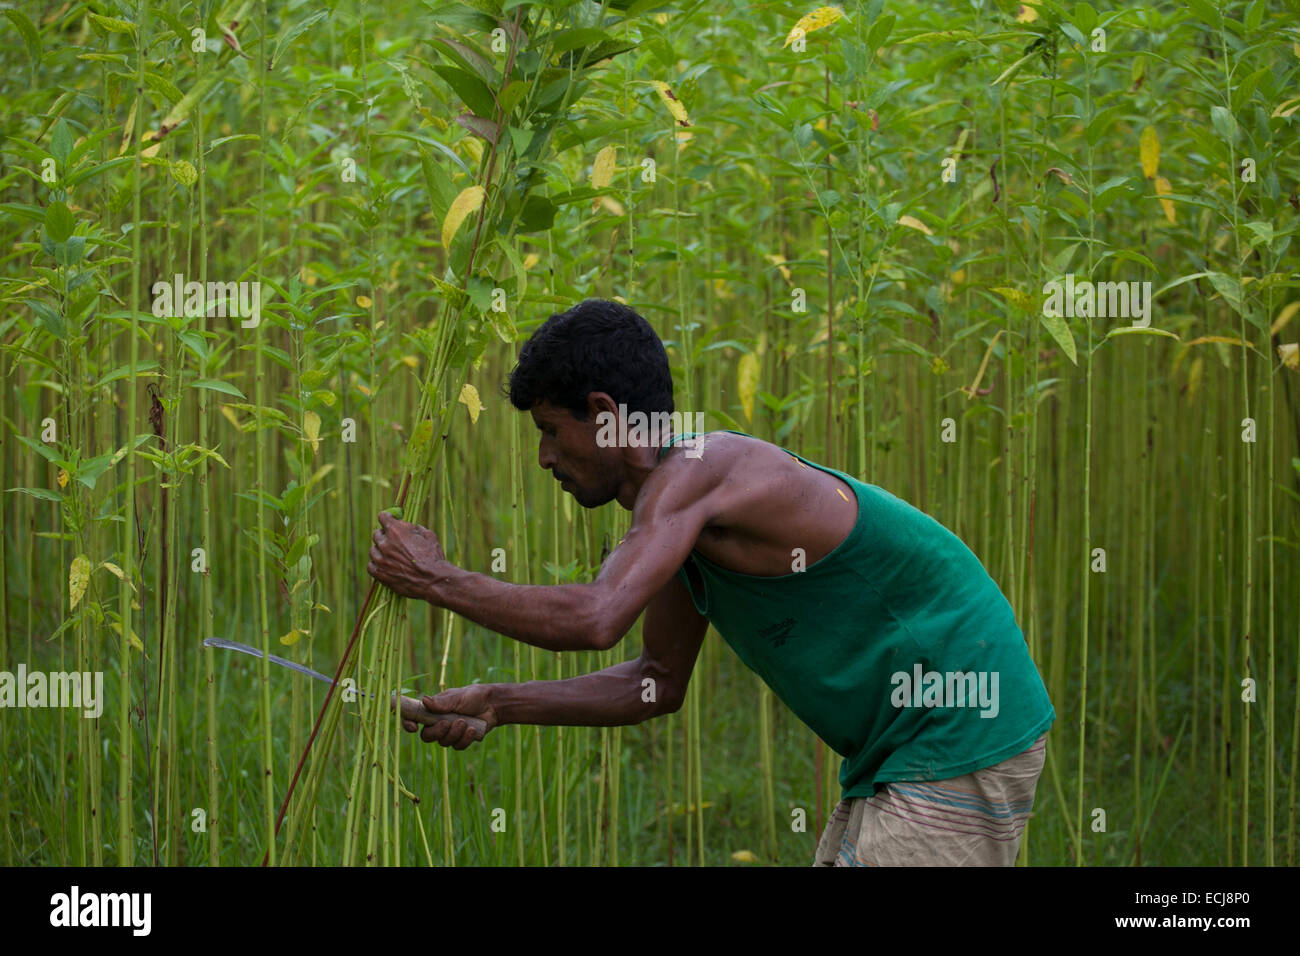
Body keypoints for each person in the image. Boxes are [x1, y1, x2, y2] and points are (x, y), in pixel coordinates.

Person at [366, 298, 1055, 866]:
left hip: (962, 721)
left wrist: (433, 576)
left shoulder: (705, 469)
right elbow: (655, 681)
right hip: (902, 743)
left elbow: (596, 617)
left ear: (605, 416)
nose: (545, 457)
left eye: (551, 430)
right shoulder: (676, 520)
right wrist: (498, 703)